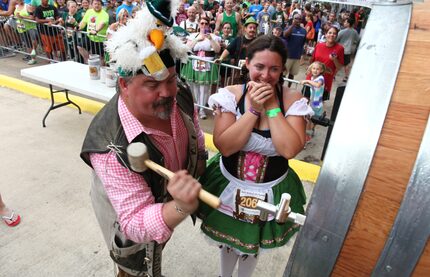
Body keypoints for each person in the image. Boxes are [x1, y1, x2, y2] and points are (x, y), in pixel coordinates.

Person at [80, 0, 206, 275]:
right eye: (152, 84)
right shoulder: (108, 145)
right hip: (127, 213)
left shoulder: (180, 91)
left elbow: (195, 132)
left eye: (171, 79)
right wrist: (181, 207)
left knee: (160, 244)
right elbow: (136, 223)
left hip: (169, 198)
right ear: (124, 84)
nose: (167, 92)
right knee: (134, 266)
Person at [198, 35, 313, 277]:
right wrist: (253, 110)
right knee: (229, 242)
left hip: (271, 188)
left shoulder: (293, 100)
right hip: (230, 183)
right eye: (259, 66)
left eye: (274, 69)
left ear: (282, 70)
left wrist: (272, 106)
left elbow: (289, 149)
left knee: (252, 245)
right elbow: (226, 146)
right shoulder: (230, 96)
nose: (265, 75)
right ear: (247, 63)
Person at [181, 16, 221, 119]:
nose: (203, 25)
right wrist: (197, 39)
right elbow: (187, 48)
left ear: (208, 25)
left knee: (204, 88)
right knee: (194, 86)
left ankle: (202, 109)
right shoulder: (193, 35)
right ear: (199, 24)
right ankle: (197, 106)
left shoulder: (213, 37)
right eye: (202, 23)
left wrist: (210, 39)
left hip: (207, 64)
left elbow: (217, 50)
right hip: (194, 63)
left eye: (205, 23)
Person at [308, 25, 344, 101]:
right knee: (306, 99)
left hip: (325, 80)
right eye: (329, 32)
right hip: (312, 77)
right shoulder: (319, 45)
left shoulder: (340, 48)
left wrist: (334, 60)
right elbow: (312, 60)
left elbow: (339, 67)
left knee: (318, 103)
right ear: (325, 34)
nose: (332, 35)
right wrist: (308, 71)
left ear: (337, 36)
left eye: (334, 33)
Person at [300, 61, 325, 140]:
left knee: (311, 119)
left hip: (316, 103)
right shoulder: (312, 78)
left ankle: (308, 134)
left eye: (318, 69)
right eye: (314, 68)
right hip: (313, 101)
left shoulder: (321, 78)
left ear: (321, 70)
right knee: (310, 118)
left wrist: (307, 81)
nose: (315, 70)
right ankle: (309, 133)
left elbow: (317, 85)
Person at [283, 13, 306, 85]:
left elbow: (303, 43)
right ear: (293, 19)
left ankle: (289, 88)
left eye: (299, 19)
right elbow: (285, 35)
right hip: (287, 56)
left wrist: (302, 55)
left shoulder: (303, 31)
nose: (298, 20)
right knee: (283, 74)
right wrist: (292, 25)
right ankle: (280, 88)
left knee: (292, 74)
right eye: (296, 18)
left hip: (297, 57)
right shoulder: (288, 28)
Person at [14, 0, 38, 65]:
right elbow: (15, 16)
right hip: (21, 28)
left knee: (33, 43)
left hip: (30, 27)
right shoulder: (16, 6)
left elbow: (32, 18)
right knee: (28, 43)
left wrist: (22, 17)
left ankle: (33, 58)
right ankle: (31, 58)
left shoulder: (28, 6)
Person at [337, 17, 359, 82]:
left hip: (340, 50)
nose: (344, 23)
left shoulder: (342, 31)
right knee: (347, 64)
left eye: (345, 22)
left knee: (337, 63)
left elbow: (336, 39)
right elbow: (357, 40)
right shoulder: (355, 32)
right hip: (348, 51)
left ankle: (333, 75)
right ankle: (346, 77)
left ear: (348, 23)